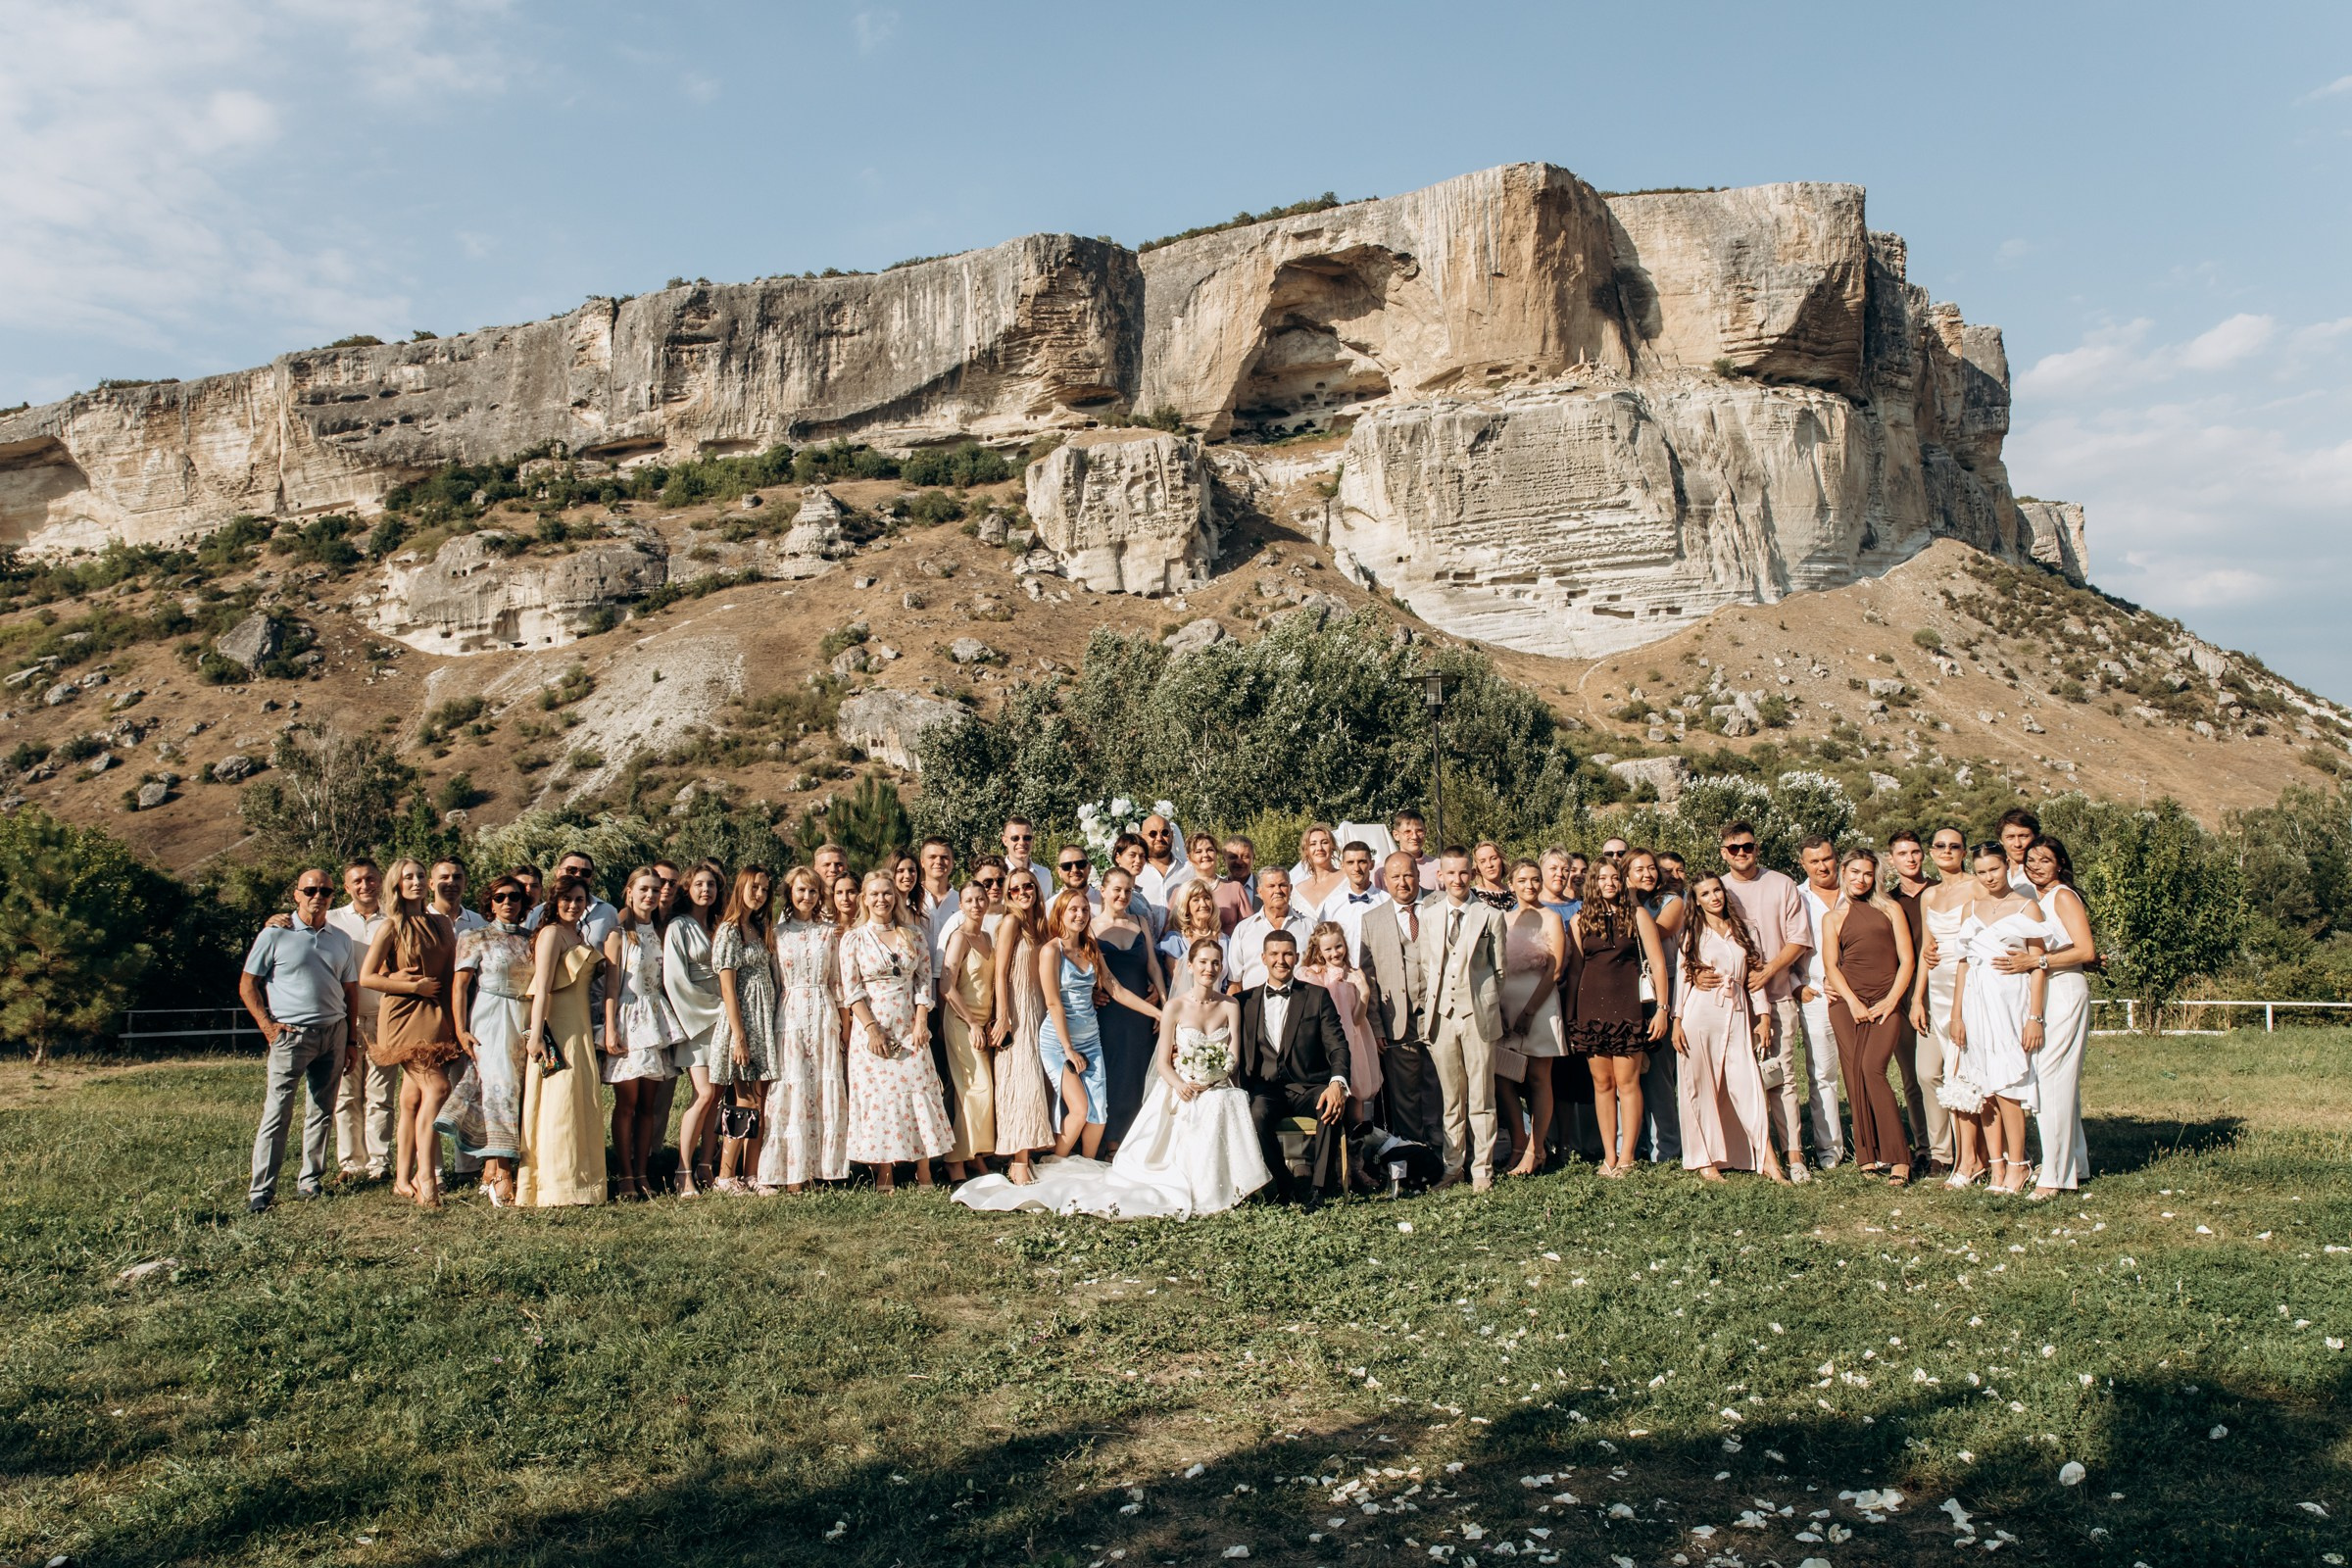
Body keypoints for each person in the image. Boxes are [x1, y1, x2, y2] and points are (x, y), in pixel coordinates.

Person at [956, 939, 1272, 1219]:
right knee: (1093, 1109)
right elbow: (1163, 1063)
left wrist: (1212, 1077)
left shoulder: (1231, 1004)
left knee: (1223, 1100)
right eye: (1202, 961)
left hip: (1215, 1084)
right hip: (1180, 1084)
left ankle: (1227, 1185)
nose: (1210, 968)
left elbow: (1233, 1057)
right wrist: (1181, 1083)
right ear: (1189, 965)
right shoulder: (1174, 1006)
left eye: (1216, 962)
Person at [238, 869, 360, 1212]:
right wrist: (268, 1027)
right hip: (291, 1034)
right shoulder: (275, 934)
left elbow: (350, 989)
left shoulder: (340, 939)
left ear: (334, 895)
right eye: (310, 890)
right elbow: (248, 984)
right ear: (297, 894)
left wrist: (350, 1039)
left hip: (333, 1031)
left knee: (322, 1110)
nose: (317, 895)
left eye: (325, 890)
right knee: (278, 1111)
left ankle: (310, 1181)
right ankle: (261, 1190)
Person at [1705, 820, 1819, 1184]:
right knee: (1734, 1079)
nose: (1742, 853)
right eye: (1734, 848)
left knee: (1780, 1076)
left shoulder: (1781, 884)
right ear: (1723, 852)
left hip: (1777, 994)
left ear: (1757, 848)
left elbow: (1799, 939)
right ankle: (1746, 1150)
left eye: (1748, 847)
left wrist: (1769, 972)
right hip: (1730, 1002)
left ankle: (1794, 1155)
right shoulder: (1716, 889)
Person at [841, 870, 955, 1192]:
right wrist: (872, 1030)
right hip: (873, 1028)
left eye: (887, 893)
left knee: (918, 1094)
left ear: (896, 897)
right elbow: (852, 990)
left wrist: (921, 1022)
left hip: (909, 1026)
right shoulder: (854, 938)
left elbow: (922, 980)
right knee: (880, 1100)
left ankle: (924, 1171)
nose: (882, 899)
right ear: (865, 898)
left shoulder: (913, 935)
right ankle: (884, 1173)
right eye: (874, 894)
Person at [359, 858, 463, 1208]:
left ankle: (402, 1180)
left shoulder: (441, 923)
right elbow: (367, 977)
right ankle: (426, 1175)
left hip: (438, 1014)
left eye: (420, 876)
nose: (416, 881)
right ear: (397, 885)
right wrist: (413, 987)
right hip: (404, 1015)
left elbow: (450, 973)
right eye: (409, 877)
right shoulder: (391, 926)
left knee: (412, 1100)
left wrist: (456, 1020)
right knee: (438, 1088)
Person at [1948, 843, 2050, 1196]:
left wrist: (2035, 1017)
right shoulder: (1971, 908)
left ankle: (2018, 1165)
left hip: (2010, 1001)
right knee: (1984, 1087)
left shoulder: (2026, 906)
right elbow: (1963, 963)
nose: (1989, 877)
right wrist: (1956, 1014)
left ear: (2006, 865)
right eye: (1981, 872)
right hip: (1976, 1001)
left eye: (1994, 869)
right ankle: (1996, 1166)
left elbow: (2038, 964)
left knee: (2008, 1086)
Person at [1670, 875, 1783, 1184]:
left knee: (1749, 1087)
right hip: (1699, 1015)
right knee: (1701, 1089)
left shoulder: (1743, 930)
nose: (1713, 896)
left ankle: (1768, 1160)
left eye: (1717, 889)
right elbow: (1682, 981)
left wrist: (1763, 1015)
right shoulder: (1692, 934)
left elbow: (1753, 977)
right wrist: (1676, 1021)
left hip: (1736, 1015)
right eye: (1705, 893)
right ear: (1697, 900)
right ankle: (1705, 1161)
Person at [1566, 858, 1671, 1178]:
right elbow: (1575, 972)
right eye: (1602, 878)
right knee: (1602, 1084)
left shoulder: (1638, 915)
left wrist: (1663, 1010)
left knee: (1628, 1083)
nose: (1609, 883)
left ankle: (1627, 1157)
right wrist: (1571, 1019)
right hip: (1591, 1012)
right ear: (1593, 883)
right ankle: (1609, 1156)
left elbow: (1658, 965)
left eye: (1614, 877)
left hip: (1627, 1009)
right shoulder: (1580, 920)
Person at [1820, 849, 1918, 1185]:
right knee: (1854, 1073)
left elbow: (1907, 960)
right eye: (1855, 872)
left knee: (1873, 1070)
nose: (1860, 879)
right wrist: (1852, 1002)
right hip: (1847, 1004)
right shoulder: (1832, 918)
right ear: (1843, 872)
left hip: (1886, 1001)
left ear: (1875, 877)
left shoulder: (1890, 909)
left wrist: (1892, 1002)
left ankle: (1899, 1157)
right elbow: (1831, 965)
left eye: (1867, 874)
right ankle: (1867, 1153)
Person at [1235, 930, 1351, 1202]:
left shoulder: (1317, 996)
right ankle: (1284, 1184)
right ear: (1263, 958)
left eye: (1287, 953)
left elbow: (1338, 1045)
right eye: (1274, 954)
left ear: (1297, 957)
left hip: (1308, 1086)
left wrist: (1337, 1083)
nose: (1281, 960)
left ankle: (1319, 1189)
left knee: (1329, 1106)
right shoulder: (1244, 1002)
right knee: (1257, 1114)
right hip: (1266, 1089)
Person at [441, 876, 534, 1206]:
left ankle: (490, 1167)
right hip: (491, 1016)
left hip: (524, 1017)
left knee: (520, 1090)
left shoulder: (531, 940)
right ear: (490, 902)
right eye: (500, 897)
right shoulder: (474, 936)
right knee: (500, 1089)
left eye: (514, 897)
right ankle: (503, 1173)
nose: (508, 902)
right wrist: (460, 1028)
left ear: (524, 903)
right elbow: (460, 986)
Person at [1039, 889, 1154, 1157]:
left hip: (1090, 1040)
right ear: (1061, 913)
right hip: (1059, 1042)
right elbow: (1053, 1003)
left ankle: (1088, 1166)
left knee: (1098, 1114)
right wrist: (1068, 1049)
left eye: (1084, 910)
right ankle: (1056, 1164)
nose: (1080, 915)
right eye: (1073, 910)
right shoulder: (1050, 951)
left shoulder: (1090, 947)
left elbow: (1116, 989)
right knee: (1079, 1111)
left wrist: (1158, 1013)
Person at [2012, 835, 2096, 1200]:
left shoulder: (2063, 896)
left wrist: (2038, 961)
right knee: (2057, 1081)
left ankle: (2056, 1176)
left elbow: (2085, 949)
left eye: (2044, 860)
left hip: (2063, 988)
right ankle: (2074, 1162)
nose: (2035, 866)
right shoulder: (2038, 898)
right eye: (2031, 860)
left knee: (2051, 1081)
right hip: (2046, 987)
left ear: (2060, 863)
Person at [516, 876, 606, 1207]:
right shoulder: (551, 934)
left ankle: (584, 1183)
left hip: (580, 1026)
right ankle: (555, 1186)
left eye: (579, 900)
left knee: (581, 1102)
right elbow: (542, 988)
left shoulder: (577, 934)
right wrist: (537, 1034)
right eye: (567, 899)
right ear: (554, 901)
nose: (573, 905)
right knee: (559, 1104)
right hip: (558, 1028)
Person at [1422, 848, 1508, 1190]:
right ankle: (1453, 1165)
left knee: (1482, 1097)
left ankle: (1482, 1170)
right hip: (1441, 1016)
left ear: (1471, 875)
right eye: (1450, 873)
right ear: (1440, 876)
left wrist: (1482, 1002)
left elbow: (1500, 972)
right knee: (1451, 1098)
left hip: (1477, 1015)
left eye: (1463, 873)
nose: (1457, 880)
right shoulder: (1429, 916)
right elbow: (1428, 967)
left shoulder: (1489, 915)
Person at [760, 866, 850, 1193]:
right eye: (800, 891)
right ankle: (792, 1172)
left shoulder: (829, 932)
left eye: (812, 891)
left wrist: (845, 1025)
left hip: (824, 1009)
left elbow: (838, 981)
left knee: (824, 1086)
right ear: (789, 893)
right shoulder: (778, 933)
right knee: (793, 1086)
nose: (806, 897)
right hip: (791, 1012)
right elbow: (773, 979)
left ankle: (824, 1169)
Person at [600, 867, 680, 1200]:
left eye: (655, 890)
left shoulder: (660, 931)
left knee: (649, 1103)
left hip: (655, 1017)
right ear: (629, 891)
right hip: (628, 1017)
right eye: (643, 889)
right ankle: (625, 1174)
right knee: (627, 1103)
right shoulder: (619, 933)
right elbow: (610, 985)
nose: (650, 895)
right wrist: (609, 1028)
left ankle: (644, 1171)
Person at [1358, 850, 1439, 1151]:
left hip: (1439, 1014)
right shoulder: (1372, 920)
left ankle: (1445, 1151)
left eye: (1408, 875)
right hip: (1397, 1020)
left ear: (1418, 875)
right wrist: (1376, 1026)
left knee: (1442, 1087)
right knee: (1405, 1093)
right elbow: (1369, 979)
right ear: (1385, 880)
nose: (1402, 882)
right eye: (1395, 877)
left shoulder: (1439, 904)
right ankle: (1414, 1152)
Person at [1909, 827, 1976, 1181]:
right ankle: (1940, 1151)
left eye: (1954, 846)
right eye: (1940, 845)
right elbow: (1926, 950)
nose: (1947, 850)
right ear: (1931, 852)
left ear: (1964, 852)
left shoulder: (1977, 886)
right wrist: (1917, 998)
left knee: (1963, 1073)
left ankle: (1971, 1154)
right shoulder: (1929, 895)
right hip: (1935, 990)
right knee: (1927, 1072)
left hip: (1966, 988)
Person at [710, 867, 782, 1195]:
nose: (760, 894)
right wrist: (738, 1036)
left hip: (764, 1019)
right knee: (743, 1099)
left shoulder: (759, 927)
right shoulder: (730, 932)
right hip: (744, 1021)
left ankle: (752, 1173)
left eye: (765, 890)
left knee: (761, 1100)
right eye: (755, 887)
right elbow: (727, 988)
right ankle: (726, 1175)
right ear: (741, 888)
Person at [1495, 859, 1567, 1177]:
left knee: (1539, 1078)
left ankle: (1536, 1150)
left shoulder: (1551, 917)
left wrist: (1529, 1012)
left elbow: (1556, 970)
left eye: (1535, 879)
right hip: (1505, 1007)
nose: (1530, 885)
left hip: (1539, 1005)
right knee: (1503, 1078)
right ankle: (1519, 1142)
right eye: (1523, 879)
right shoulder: (1503, 918)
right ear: (1511, 884)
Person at [987, 868, 1057, 1184]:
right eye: (1015, 889)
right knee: (1020, 1082)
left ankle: (1031, 1153)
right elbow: (1000, 973)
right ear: (1008, 895)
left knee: (1037, 1081)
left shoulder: (1039, 926)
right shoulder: (1011, 922)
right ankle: (1017, 1160)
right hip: (1016, 1009)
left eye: (1028, 886)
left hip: (1038, 1007)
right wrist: (1003, 1015)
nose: (1023, 892)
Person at [662, 861, 726, 1198]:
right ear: (687, 888)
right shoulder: (679, 927)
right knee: (702, 1094)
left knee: (716, 1096)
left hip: (725, 1018)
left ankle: (707, 1166)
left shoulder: (719, 925)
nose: (706, 890)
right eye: (700, 884)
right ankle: (682, 1170)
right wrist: (716, 1010)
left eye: (712, 885)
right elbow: (675, 979)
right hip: (698, 1018)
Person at [325, 858, 392, 1181]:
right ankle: (351, 1164)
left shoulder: (393, 918)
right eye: (358, 881)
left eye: (371, 879)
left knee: (380, 1096)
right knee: (346, 1095)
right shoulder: (332, 919)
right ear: (347, 886)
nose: (365, 885)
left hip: (384, 1017)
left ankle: (379, 1164)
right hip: (344, 1019)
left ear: (381, 881)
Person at [1093, 866, 1165, 1150]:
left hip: (1143, 1012)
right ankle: (1111, 1141)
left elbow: (1153, 966)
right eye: (1117, 890)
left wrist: (1163, 999)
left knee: (1139, 1071)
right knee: (1114, 1072)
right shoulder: (1091, 926)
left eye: (1128, 890)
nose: (1123, 895)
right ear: (1103, 891)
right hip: (1110, 1011)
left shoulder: (1139, 922)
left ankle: (1137, 1141)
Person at [1883, 829, 1939, 1167]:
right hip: (1903, 995)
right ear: (1892, 859)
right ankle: (1924, 1148)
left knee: (1940, 1072)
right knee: (1913, 1075)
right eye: (1902, 853)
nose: (1911, 858)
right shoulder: (1888, 902)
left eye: (1916, 852)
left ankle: (1954, 1145)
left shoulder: (1941, 892)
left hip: (1942, 991)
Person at [1791, 836, 1848, 1170]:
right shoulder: (1797, 898)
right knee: (1822, 1073)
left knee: (1864, 1070)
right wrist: (1797, 985)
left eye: (1827, 858)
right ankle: (1830, 1147)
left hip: (1861, 993)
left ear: (1836, 857)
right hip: (1816, 994)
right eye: (1814, 862)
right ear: (1803, 864)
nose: (1822, 866)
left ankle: (1871, 1142)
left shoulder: (1856, 891)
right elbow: (1782, 942)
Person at [1627, 849, 1687, 1165]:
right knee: (1636, 1073)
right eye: (1640, 870)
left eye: (1652, 869)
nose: (1648, 874)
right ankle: (1638, 1143)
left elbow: (1657, 932)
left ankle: (1667, 1146)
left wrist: (1632, 901)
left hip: (1665, 987)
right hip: (1631, 990)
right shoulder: (1624, 903)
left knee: (1660, 1072)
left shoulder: (1670, 902)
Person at [937, 886, 998, 1181]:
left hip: (983, 1022)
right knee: (976, 1088)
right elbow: (946, 985)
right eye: (970, 900)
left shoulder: (987, 937)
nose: (977, 904)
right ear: (960, 905)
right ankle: (955, 1159)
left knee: (978, 1090)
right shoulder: (959, 938)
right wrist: (972, 1022)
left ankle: (974, 1155)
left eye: (981, 899)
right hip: (962, 1022)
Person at [1299, 920, 1383, 1123]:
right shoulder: (1314, 975)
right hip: (1327, 1042)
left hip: (1354, 1039)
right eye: (1328, 949)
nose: (1335, 953)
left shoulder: (1353, 974)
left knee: (1356, 1095)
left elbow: (1357, 1018)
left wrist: (1364, 991)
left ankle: (1356, 1145)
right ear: (1319, 951)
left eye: (1339, 946)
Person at [1228, 866, 1315, 991]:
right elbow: (1235, 983)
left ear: (1290, 889)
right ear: (1260, 892)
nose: (1277, 890)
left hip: (1302, 1005)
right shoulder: (1243, 930)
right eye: (1271, 886)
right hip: (1254, 1006)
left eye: (1282, 885)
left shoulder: (1310, 927)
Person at [1158, 880, 1228, 998]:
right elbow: (1178, 981)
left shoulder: (1224, 940)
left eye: (1207, 898)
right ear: (1186, 905)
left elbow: (1231, 980)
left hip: (1219, 1005)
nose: (1204, 904)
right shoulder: (1175, 940)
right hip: (1187, 1006)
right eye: (1196, 900)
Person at [1328, 840, 1387, 954]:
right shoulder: (1331, 905)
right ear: (1342, 866)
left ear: (1372, 864)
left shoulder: (1386, 901)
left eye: (1362, 862)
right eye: (1350, 862)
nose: (1356, 868)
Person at [917, 837, 961, 969]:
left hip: (952, 981)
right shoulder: (911, 900)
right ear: (922, 862)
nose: (938, 861)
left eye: (944, 857)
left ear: (952, 863)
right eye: (932, 857)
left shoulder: (962, 902)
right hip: (916, 981)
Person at [1293, 824, 1347, 919]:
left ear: (1332, 847)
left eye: (1324, 842)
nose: (1319, 848)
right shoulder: (1297, 891)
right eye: (1313, 844)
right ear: (1306, 850)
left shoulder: (1347, 879)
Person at [1135, 812, 1184, 916]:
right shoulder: (1135, 873)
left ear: (1172, 836)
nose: (1159, 838)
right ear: (1142, 838)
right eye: (1153, 834)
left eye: (1165, 833)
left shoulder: (1188, 870)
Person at [1160, 829, 1221, 909]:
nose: (1205, 855)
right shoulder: (1180, 892)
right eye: (1198, 851)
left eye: (1210, 850)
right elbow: (1172, 921)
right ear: (1189, 857)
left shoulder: (1234, 889)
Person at [1213, 836, 1259, 933]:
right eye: (1233, 857)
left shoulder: (1267, 887)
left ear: (1253, 858)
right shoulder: (1214, 890)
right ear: (1224, 860)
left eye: (1245, 856)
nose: (1239, 861)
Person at [1388, 809, 1440, 890]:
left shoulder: (1440, 867)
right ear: (1396, 835)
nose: (1415, 836)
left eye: (1419, 831)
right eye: (1408, 832)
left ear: (1425, 832)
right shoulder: (1383, 869)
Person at [1997, 808, 2041, 895]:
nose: (2017, 844)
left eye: (2023, 836)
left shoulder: (2043, 873)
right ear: (2001, 840)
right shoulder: (1994, 872)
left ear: (2035, 837)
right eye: (2010, 837)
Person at [1469, 841, 1514, 911]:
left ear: (1502, 860)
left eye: (1493, 858)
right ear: (1477, 867)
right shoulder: (1471, 895)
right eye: (1483, 861)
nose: (1489, 865)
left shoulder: (1515, 893)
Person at [998, 818, 1042, 886]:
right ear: (1005, 841)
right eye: (1015, 838)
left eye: (1027, 838)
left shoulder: (1044, 875)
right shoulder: (997, 876)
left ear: (1033, 839)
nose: (1022, 842)